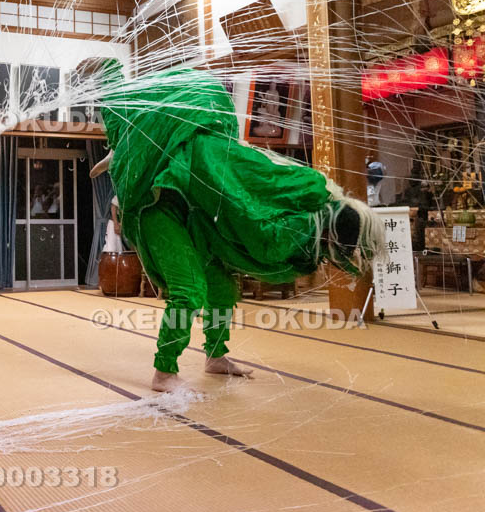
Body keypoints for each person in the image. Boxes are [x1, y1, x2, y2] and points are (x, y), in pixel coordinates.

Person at [83, 58, 382, 393]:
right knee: (190, 290)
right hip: (158, 207)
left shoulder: (222, 149)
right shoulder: (197, 146)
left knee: (221, 287)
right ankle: (164, 372)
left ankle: (215, 356)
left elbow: (263, 210)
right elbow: (260, 220)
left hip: (197, 217)